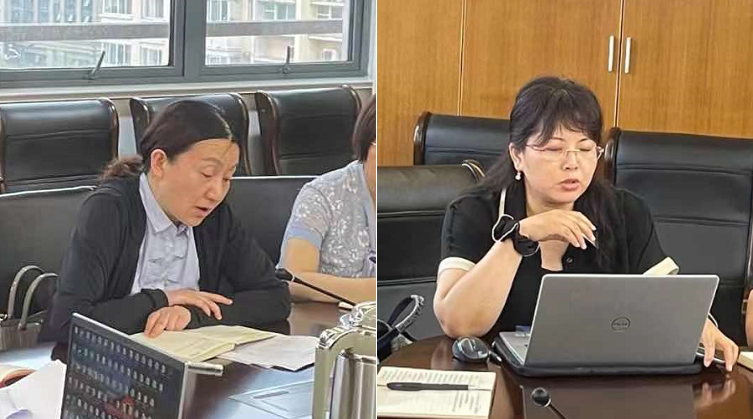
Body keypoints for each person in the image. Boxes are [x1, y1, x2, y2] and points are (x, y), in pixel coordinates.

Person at [433, 76, 739, 371]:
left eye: (585, 148)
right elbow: (458, 323)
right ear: (517, 155)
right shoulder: (475, 211)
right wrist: (520, 236)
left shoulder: (625, 212)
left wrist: (698, 324)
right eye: (554, 149)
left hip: (604, 383)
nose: (572, 163)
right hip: (501, 380)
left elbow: (671, 299)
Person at [39, 100, 291, 343]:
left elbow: (275, 297)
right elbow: (67, 323)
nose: (216, 193)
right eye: (207, 174)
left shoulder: (215, 216)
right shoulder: (110, 209)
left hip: (192, 358)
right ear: (159, 163)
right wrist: (163, 299)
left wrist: (191, 314)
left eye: (227, 178)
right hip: (111, 362)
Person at [278, 95, 376, 304]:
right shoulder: (322, 194)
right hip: (327, 319)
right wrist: (372, 290)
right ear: (365, 141)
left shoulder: (419, 194)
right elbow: (294, 279)